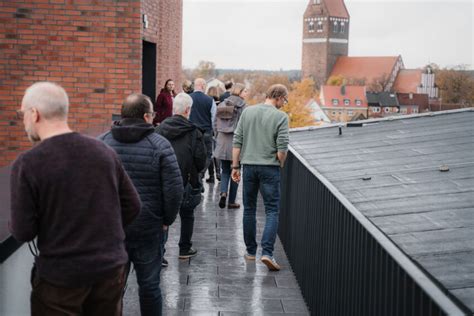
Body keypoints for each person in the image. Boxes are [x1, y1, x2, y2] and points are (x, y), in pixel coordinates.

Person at [10, 82, 141, 315]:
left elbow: (23, 231)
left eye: (22, 114)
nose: (23, 121)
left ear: (34, 113)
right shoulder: (103, 151)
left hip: (60, 279)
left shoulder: (29, 163)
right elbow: (132, 205)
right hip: (109, 271)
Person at [99, 93, 183, 315]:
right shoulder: (160, 144)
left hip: (112, 230)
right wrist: (167, 220)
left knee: (111, 289)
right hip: (149, 227)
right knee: (149, 287)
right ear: (147, 116)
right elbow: (174, 190)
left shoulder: (103, 143)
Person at [231, 84, 290, 271]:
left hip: (248, 166)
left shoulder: (248, 112)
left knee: (249, 209)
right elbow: (282, 149)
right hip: (269, 168)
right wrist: (279, 163)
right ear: (279, 97)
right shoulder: (281, 117)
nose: (284, 104)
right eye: (284, 100)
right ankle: (267, 253)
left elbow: (237, 139)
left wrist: (235, 165)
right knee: (272, 210)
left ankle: (250, 251)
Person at [157, 93, 207, 260]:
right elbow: (201, 161)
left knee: (163, 216)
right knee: (187, 214)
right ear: (188, 110)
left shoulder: (159, 129)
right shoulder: (194, 132)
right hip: (186, 180)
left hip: (163, 181)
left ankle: (160, 253)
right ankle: (184, 248)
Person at [214, 83, 248, 209]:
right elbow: (246, 126)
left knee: (225, 171)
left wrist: (217, 136)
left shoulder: (222, 104)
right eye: (245, 91)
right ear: (239, 92)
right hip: (237, 143)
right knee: (236, 171)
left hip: (222, 141)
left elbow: (215, 123)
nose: (247, 93)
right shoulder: (243, 106)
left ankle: (223, 193)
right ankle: (232, 201)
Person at [189, 78, 216, 185]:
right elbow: (213, 118)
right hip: (206, 131)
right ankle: (201, 174)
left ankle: (195, 176)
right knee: (208, 154)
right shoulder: (210, 100)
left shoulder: (188, 98)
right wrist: (213, 130)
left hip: (191, 131)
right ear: (203, 86)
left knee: (192, 154)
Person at [206, 86, 221, 183]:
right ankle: (218, 173)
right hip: (218, 130)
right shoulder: (221, 104)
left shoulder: (208, 103)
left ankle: (211, 175)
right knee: (217, 152)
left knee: (210, 153)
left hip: (209, 129)